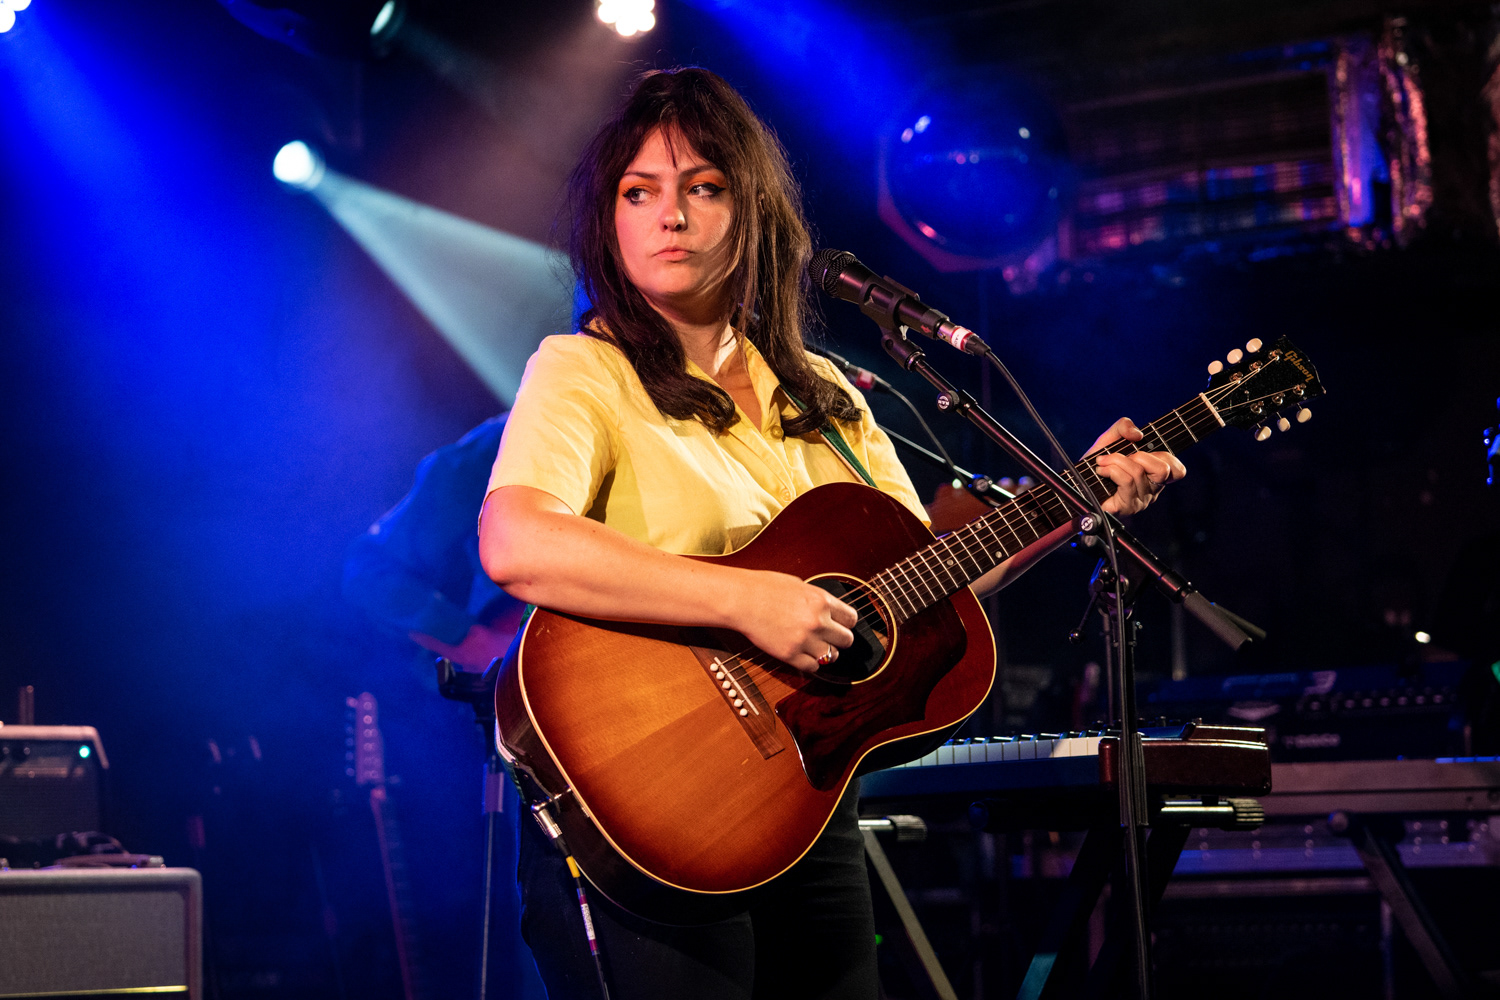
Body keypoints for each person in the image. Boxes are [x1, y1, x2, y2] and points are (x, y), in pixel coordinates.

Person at [477, 67, 1184, 1000]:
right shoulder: (585, 370)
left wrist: (1077, 501)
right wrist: (748, 601)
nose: (669, 218)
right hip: (652, 801)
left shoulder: (827, 390)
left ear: (754, 209)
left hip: (802, 803)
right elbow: (517, 541)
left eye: (703, 188)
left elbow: (927, 571)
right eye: (638, 193)